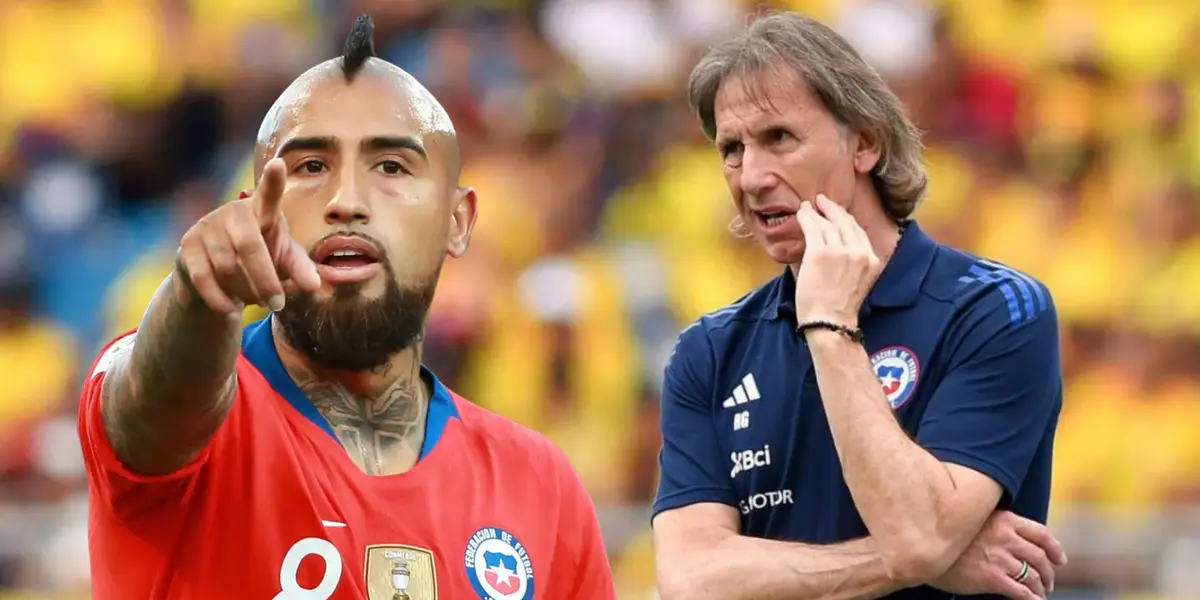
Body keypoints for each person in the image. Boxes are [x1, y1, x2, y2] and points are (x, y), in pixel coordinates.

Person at [77, 15, 615, 600]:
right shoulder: (190, 414)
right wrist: (194, 296)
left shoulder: (541, 487)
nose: (347, 201)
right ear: (253, 212)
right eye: (311, 167)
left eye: (391, 166)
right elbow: (154, 405)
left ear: (456, 222)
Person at [652, 12, 1067, 600]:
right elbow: (691, 581)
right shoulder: (709, 349)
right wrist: (912, 559)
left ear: (865, 142)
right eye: (732, 149)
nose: (751, 177)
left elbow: (919, 535)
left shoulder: (995, 308)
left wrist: (829, 327)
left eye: (778, 139)